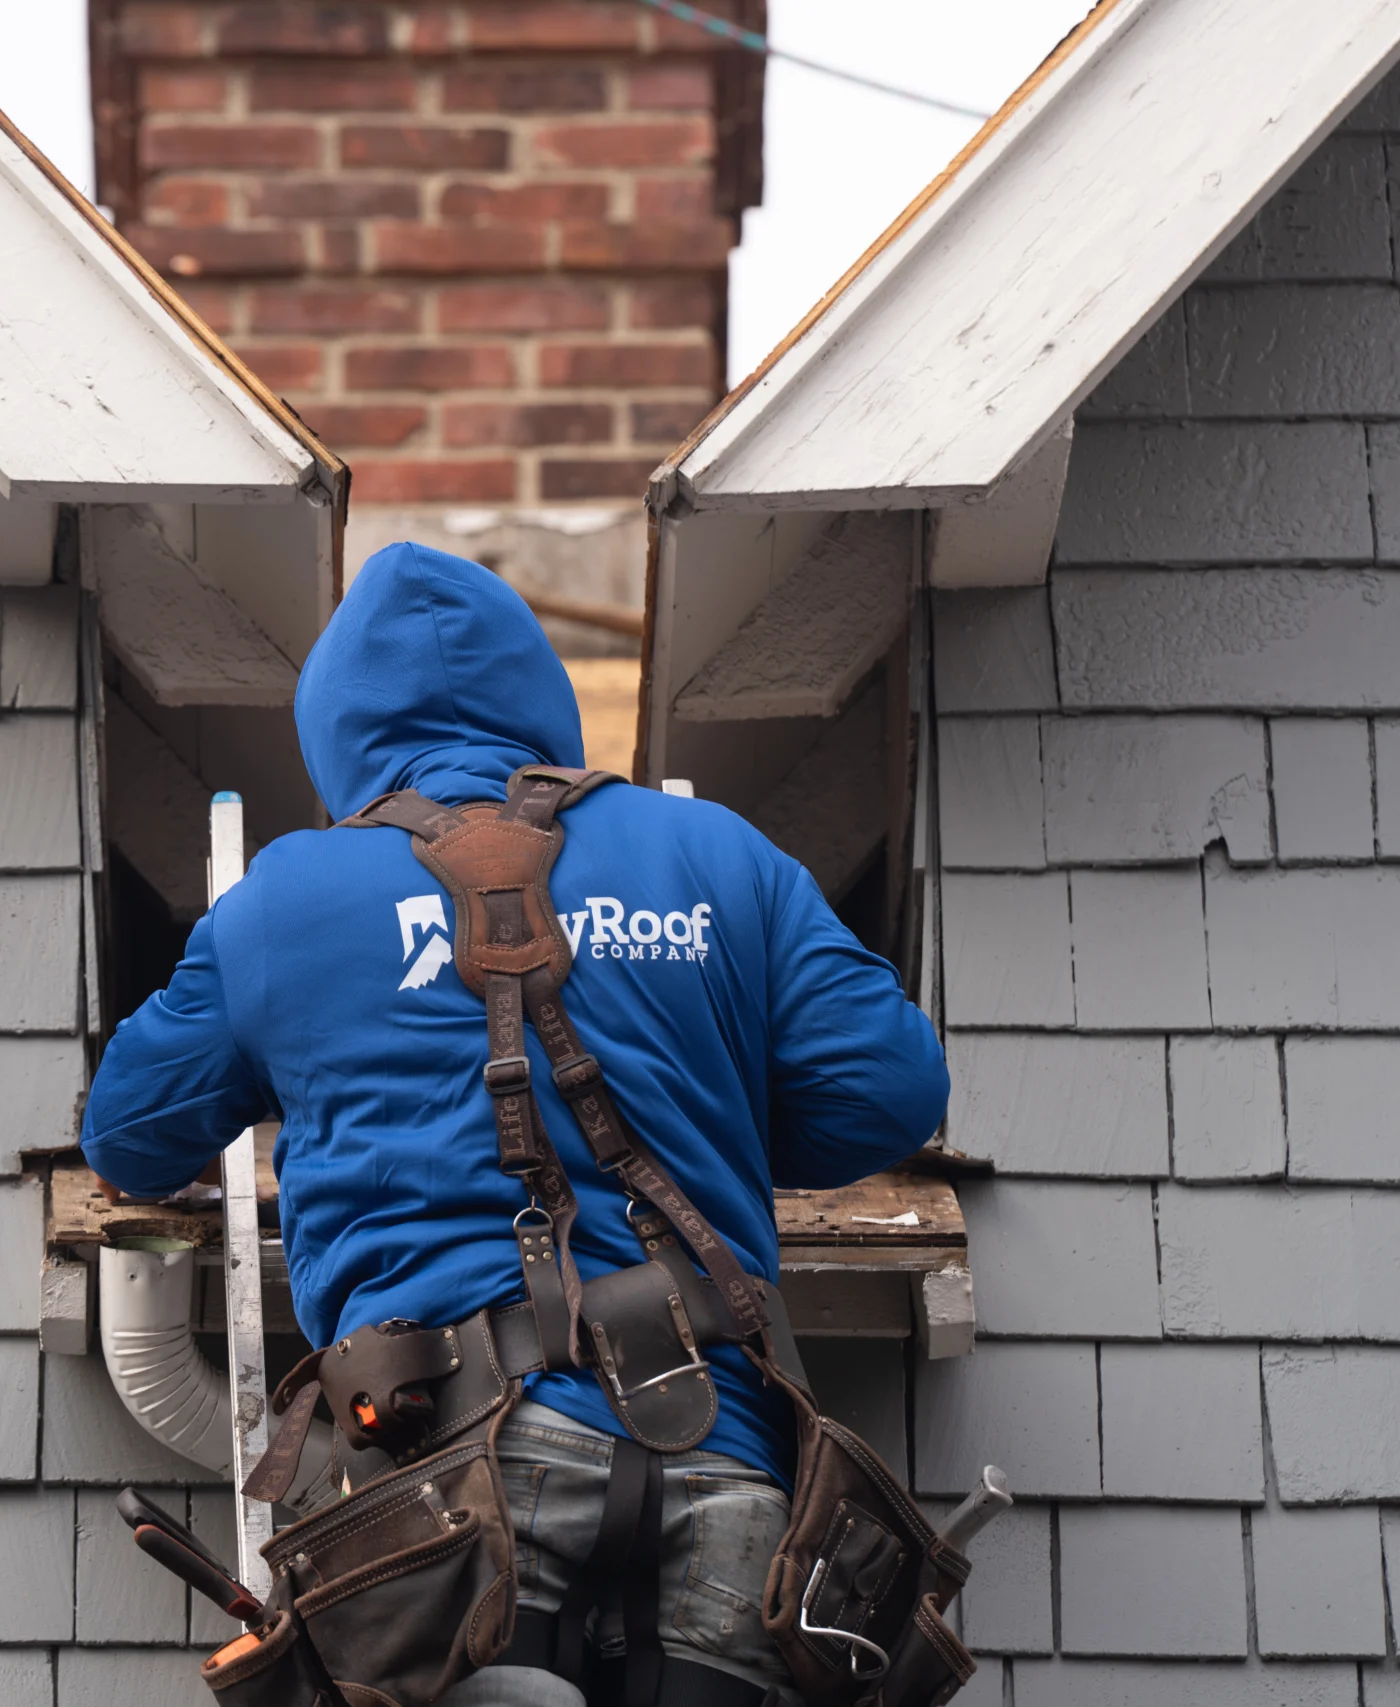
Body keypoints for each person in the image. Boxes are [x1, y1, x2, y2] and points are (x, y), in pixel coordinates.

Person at [81, 542, 951, 1706]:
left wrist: (334, 1068)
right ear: (541, 704)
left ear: (335, 735)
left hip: (457, 1469)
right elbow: (890, 1090)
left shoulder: (287, 898)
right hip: (729, 1459)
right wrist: (702, 1109)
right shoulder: (712, 853)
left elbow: (130, 1135)